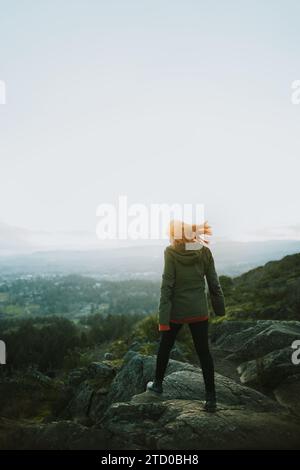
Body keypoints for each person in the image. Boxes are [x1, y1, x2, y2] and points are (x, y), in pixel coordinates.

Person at [147, 220, 225, 412]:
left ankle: (157, 385)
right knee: (204, 352)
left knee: (165, 346)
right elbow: (214, 284)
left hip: (177, 312)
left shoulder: (171, 252)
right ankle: (211, 399)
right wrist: (220, 309)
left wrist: (163, 319)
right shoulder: (204, 251)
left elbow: (167, 286)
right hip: (199, 312)